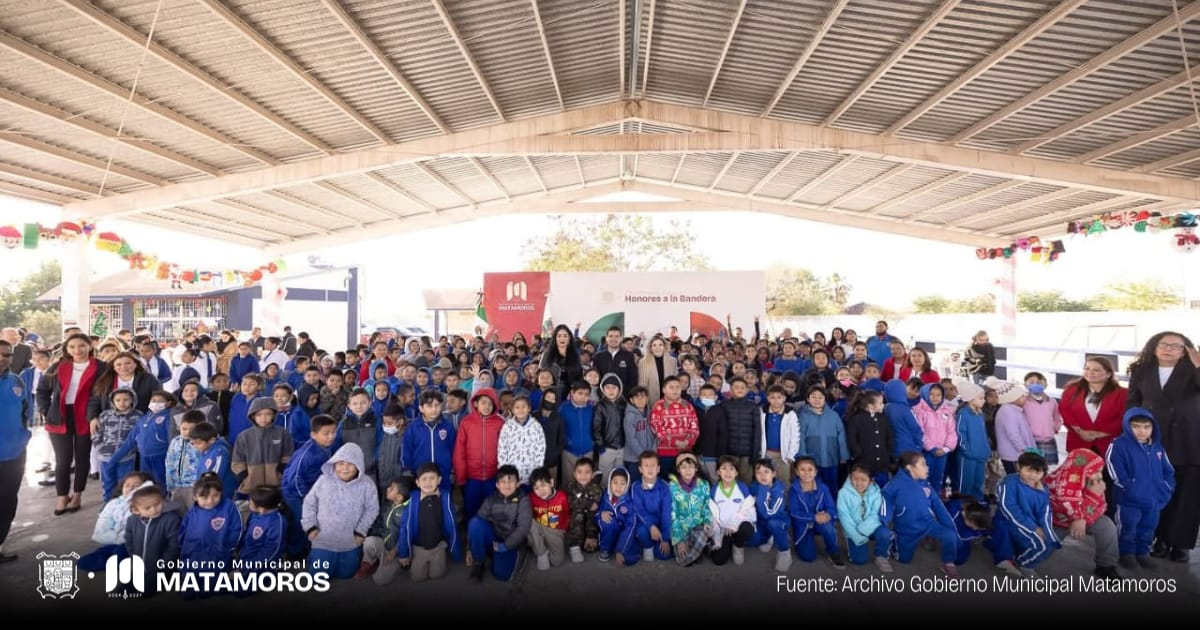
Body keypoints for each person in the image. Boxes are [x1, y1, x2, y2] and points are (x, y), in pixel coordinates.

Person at [1125, 332, 1199, 564]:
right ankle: (1160, 539)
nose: (1169, 349)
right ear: (1154, 347)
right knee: (1154, 491)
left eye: (1176, 346)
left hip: (1189, 440)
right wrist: (1134, 428)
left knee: (1187, 493)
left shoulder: (1193, 370)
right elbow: (1133, 401)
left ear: (1185, 350)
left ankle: (1180, 543)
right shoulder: (1141, 371)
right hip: (1151, 438)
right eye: (1164, 344)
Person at [38, 332, 102, 514]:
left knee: (82, 457)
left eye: (81, 345)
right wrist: (46, 410)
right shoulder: (59, 366)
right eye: (72, 346)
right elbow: (42, 390)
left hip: (86, 416)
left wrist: (96, 415)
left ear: (89, 346)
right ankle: (61, 495)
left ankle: (77, 494)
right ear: (66, 348)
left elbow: (102, 393)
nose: (77, 350)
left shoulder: (101, 367)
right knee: (63, 460)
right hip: (61, 416)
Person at [1108, 408, 1175, 569]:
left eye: (1146, 427)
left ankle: (1142, 553)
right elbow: (1115, 470)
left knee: (1148, 527)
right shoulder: (1119, 445)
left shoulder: (1157, 448)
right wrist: (1130, 487)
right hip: (1128, 500)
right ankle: (1126, 553)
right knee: (1128, 527)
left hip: (1153, 501)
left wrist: (1166, 487)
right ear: (1127, 426)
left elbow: (1168, 470)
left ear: (1153, 428)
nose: (1142, 431)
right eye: (1136, 426)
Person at [303, 443, 380, 579]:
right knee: (318, 577)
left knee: (346, 575)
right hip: (323, 540)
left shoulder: (367, 484)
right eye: (340, 463)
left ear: (359, 465)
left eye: (350, 464)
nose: (344, 468)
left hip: (350, 541)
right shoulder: (323, 480)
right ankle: (314, 556)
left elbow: (372, 509)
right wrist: (310, 527)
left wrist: (360, 531)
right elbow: (309, 503)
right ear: (334, 464)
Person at [1045, 448, 1121, 579]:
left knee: (1107, 526)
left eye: (1100, 471)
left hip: (1084, 519)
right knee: (1038, 554)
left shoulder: (1095, 483)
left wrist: (1086, 513)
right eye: (1095, 471)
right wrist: (1079, 517)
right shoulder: (1058, 482)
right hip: (1055, 522)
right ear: (1083, 470)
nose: (1099, 475)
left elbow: (1101, 507)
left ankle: (1106, 566)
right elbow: (1066, 505)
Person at [883, 451, 960, 576]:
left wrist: (951, 528)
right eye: (923, 464)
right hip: (906, 529)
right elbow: (884, 507)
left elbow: (939, 508)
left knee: (949, 535)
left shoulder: (926, 485)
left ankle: (948, 563)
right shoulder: (893, 485)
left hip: (927, 523)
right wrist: (882, 525)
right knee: (904, 560)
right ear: (910, 467)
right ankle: (894, 540)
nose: (927, 467)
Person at [281, 414, 337, 558]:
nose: (331, 437)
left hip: (309, 491)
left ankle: (304, 548)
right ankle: (295, 554)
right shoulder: (308, 453)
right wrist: (307, 498)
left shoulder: (324, 447)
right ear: (313, 434)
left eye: (333, 432)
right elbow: (294, 479)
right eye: (326, 434)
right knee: (302, 523)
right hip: (295, 494)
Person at [179, 473, 243, 599]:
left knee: (208, 588)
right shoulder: (193, 510)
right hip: (194, 554)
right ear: (195, 497)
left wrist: (229, 548)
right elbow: (183, 530)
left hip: (218, 554)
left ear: (221, 493)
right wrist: (185, 549)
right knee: (187, 594)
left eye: (215, 496)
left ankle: (229, 582)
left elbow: (237, 530)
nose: (210, 501)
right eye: (204, 497)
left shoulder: (229, 507)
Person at [394, 465, 460, 583]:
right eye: (424, 479)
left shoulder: (445, 497)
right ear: (417, 483)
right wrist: (404, 553)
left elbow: (452, 524)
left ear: (439, 480)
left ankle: (439, 557)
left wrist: (456, 551)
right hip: (419, 547)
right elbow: (405, 527)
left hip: (438, 546)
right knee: (418, 577)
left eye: (432, 478)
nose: (428, 482)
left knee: (437, 575)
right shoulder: (413, 499)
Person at [467, 464, 530, 583]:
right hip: (495, 538)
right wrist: (469, 549)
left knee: (502, 575)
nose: (507, 485)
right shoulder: (491, 498)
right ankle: (479, 561)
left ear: (518, 483)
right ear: (497, 485)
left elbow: (524, 528)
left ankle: (507, 556)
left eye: (511, 481)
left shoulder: (523, 499)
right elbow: (478, 520)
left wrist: (506, 546)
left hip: (511, 542)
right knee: (475, 522)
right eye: (503, 481)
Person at [79, 471, 153, 571]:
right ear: (121, 489)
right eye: (127, 485)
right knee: (92, 557)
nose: (131, 488)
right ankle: (112, 558)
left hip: (133, 543)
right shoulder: (113, 504)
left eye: (136, 485)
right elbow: (102, 526)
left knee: (123, 551)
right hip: (112, 539)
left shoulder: (148, 504)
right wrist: (115, 538)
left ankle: (121, 560)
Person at [453, 388, 504, 520]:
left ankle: (489, 536)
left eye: (490, 403)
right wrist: (461, 476)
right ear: (476, 403)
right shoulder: (466, 422)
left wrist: (501, 474)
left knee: (492, 509)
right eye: (483, 402)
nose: (487, 406)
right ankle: (472, 536)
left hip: (492, 476)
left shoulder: (500, 423)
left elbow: (505, 449)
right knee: (471, 509)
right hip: (472, 477)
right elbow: (460, 451)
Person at [124, 482, 181, 596]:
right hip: (140, 565)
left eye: (158, 504)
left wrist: (164, 564)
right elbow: (128, 540)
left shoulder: (171, 519)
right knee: (125, 588)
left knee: (146, 590)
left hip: (163, 568)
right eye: (147, 507)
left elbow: (174, 546)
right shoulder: (132, 520)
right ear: (135, 510)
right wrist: (133, 556)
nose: (154, 509)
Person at [110, 390, 174, 488]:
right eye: (153, 400)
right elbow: (130, 440)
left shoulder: (168, 417)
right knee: (145, 482)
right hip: (144, 457)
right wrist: (115, 458)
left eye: (159, 401)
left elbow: (171, 438)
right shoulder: (143, 418)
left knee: (160, 482)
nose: (155, 403)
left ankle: (162, 501)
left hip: (160, 456)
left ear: (168, 403)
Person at [788, 456, 843, 568]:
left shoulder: (823, 488)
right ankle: (801, 542)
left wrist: (828, 515)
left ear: (816, 472)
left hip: (821, 521)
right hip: (803, 524)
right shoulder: (793, 489)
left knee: (828, 527)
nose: (806, 473)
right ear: (796, 472)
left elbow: (831, 507)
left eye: (810, 469)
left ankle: (833, 551)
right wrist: (814, 517)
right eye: (802, 470)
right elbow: (794, 512)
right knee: (808, 557)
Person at [233, 398, 295, 494]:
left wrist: (280, 473)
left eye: (268, 414)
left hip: (276, 485)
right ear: (253, 416)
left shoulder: (282, 433)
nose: (263, 418)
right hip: (251, 487)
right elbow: (237, 461)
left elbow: (288, 456)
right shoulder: (244, 436)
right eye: (259, 415)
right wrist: (245, 477)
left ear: (274, 415)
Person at [837, 464, 893, 572]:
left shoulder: (876, 492)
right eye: (855, 479)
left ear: (871, 481)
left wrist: (863, 530)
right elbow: (844, 518)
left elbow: (876, 515)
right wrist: (856, 534)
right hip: (854, 530)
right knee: (860, 561)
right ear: (850, 477)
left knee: (884, 532)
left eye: (863, 480)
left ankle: (881, 555)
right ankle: (854, 545)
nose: (858, 483)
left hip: (871, 526)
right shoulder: (843, 493)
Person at [796, 386, 848, 496]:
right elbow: (800, 437)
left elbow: (841, 435)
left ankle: (831, 510)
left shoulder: (833, 415)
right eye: (814, 397)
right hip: (812, 461)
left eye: (820, 397)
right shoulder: (803, 416)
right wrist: (803, 456)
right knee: (813, 487)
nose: (817, 400)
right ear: (808, 399)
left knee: (831, 487)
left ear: (825, 399)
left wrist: (843, 455)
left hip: (831, 459)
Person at [91, 388, 140, 501]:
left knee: (126, 483)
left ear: (132, 400)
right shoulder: (105, 415)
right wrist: (101, 448)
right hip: (106, 458)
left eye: (126, 399)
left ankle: (125, 505)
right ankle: (108, 504)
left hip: (126, 458)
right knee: (107, 482)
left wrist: (133, 449)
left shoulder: (138, 416)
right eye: (118, 400)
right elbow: (96, 433)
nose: (122, 403)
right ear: (113, 401)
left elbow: (140, 436)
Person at [708, 456, 755, 566]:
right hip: (723, 529)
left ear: (736, 472)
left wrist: (734, 525)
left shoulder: (742, 487)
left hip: (737, 526)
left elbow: (748, 510)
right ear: (718, 472)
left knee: (747, 528)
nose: (728, 472)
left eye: (732, 469)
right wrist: (717, 529)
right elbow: (712, 513)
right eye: (724, 468)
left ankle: (738, 546)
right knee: (718, 560)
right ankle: (727, 542)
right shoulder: (714, 489)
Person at [667, 451, 711, 567]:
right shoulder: (672, 486)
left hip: (698, 526)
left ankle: (698, 549)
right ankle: (697, 551)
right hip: (681, 528)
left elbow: (706, 505)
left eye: (691, 466)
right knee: (682, 561)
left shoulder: (704, 484)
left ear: (696, 468)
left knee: (706, 530)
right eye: (683, 467)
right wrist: (679, 540)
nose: (688, 470)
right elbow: (673, 514)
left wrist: (707, 520)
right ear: (678, 469)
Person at [630, 450, 673, 562]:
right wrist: (650, 526)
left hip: (660, 526)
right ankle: (647, 547)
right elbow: (638, 510)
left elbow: (666, 513)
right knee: (642, 532)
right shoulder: (636, 486)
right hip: (644, 524)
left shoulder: (664, 487)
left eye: (653, 465)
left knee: (664, 556)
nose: (650, 469)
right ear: (640, 469)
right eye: (646, 465)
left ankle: (655, 543)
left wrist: (665, 538)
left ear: (658, 469)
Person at [914, 383, 956, 494]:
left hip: (942, 453)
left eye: (938, 395)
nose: (935, 397)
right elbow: (920, 432)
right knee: (924, 478)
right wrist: (931, 448)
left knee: (938, 479)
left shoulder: (947, 411)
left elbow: (951, 432)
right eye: (931, 394)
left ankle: (935, 501)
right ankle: (924, 503)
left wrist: (946, 448)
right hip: (926, 452)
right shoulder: (920, 412)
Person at [845, 389, 892, 490]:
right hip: (864, 463)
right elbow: (851, 439)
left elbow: (889, 437)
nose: (883, 405)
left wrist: (887, 454)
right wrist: (858, 453)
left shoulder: (883, 419)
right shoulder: (857, 419)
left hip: (881, 464)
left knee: (882, 488)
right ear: (871, 406)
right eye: (880, 403)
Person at [239, 485, 287, 580]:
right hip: (246, 555)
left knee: (240, 590)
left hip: (263, 563)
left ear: (261, 508)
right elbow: (247, 531)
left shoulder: (277, 522)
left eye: (251, 502)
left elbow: (271, 550)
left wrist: (247, 567)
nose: (248, 503)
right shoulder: (254, 514)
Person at [953, 380, 990, 500]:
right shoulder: (963, 414)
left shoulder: (980, 414)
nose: (983, 400)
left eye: (983, 398)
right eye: (980, 398)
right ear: (970, 399)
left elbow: (983, 434)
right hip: (967, 455)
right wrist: (966, 450)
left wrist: (986, 450)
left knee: (978, 480)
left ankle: (977, 502)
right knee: (966, 482)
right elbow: (960, 433)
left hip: (980, 454)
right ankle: (962, 504)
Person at [987, 377, 1034, 473]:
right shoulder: (1008, 412)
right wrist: (1024, 450)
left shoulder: (1012, 410)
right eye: (1021, 396)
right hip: (1014, 455)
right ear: (1013, 398)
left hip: (1017, 453)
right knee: (1016, 479)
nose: (1025, 398)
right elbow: (1013, 434)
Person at [497, 395, 545, 488]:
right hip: (512, 474)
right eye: (517, 407)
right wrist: (504, 471)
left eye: (523, 407)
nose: (520, 410)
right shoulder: (507, 427)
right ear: (512, 410)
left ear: (529, 408)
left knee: (528, 500)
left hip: (531, 472)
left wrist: (537, 471)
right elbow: (502, 449)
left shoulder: (536, 426)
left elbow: (540, 450)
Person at [529, 466, 570, 570]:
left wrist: (564, 530)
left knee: (557, 561)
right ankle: (541, 552)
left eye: (543, 485)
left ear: (551, 483)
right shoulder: (531, 498)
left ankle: (543, 545)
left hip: (555, 531)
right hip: (538, 528)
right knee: (528, 522)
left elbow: (568, 514)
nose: (540, 490)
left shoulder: (562, 497)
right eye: (536, 488)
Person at [165, 412, 203, 515]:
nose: (187, 432)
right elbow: (169, 464)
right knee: (177, 514)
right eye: (184, 429)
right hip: (177, 487)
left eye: (192, 429)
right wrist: (170, 486)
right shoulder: (175, 442)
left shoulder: (201, 444)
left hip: (194, 487)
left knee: (194, 514)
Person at [190, 421, 237, 502]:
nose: (195, 446)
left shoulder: (220, 452)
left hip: (218, 495)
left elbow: (214, 478)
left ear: (211, 440)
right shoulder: (204, 451)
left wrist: (205, 493)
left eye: (198, 443)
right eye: (192, 443)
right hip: (204, 493)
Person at [336, 389, 378, 479]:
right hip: (350, 471)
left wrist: (375, 461)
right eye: (355, 404)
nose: (359, 406)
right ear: (349, 406)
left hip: (371, 470)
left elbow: (380, 444)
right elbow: (337, 445)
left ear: (370, 403)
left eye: (363, 403)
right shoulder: (343, 423)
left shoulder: (376, 421)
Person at [1023, 372, 1062, 467]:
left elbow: (1057, 417)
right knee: (1032, 467)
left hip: (1049, 440)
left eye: (1039, 382)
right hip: (1031, 440)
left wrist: (1055, 428)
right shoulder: (1024, 401)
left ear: (1046, 385)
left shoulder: (1052, 401)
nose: (1035, 384)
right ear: (1025, 385)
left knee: (1050, 467)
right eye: (1031, 382)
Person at [592, 373, 626, 478]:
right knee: (606, 476)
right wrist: (601, 445)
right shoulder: (600, 406)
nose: (611, 391)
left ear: (619, 389)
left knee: (619, 474)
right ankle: (606, 493)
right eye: (608, 387)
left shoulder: (623, 405)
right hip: (607, 448)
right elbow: (596, 427)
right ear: (603, 389)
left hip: (622, 447)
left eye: (614, 388)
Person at [539, 325, 582, 402]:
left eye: (565, 336)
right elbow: (541, 374)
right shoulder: (547, 354)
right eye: (559, 336)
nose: (562, 339)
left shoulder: (575, 355)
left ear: (569, 339)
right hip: (550, 393)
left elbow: (579, 377)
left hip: (569, 394)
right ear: (555, 338)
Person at [636, 336, 678, 405]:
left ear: (664, 347)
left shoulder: (673, 361)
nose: (657, 347)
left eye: (660, 345)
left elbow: (675, 382)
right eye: (654, 345)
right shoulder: (643, 362)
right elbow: (642, 385)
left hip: (669, 400)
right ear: (650, 348)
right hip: (651, 402)